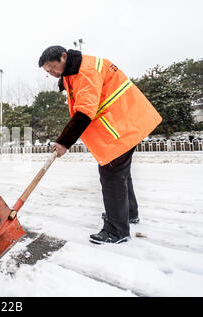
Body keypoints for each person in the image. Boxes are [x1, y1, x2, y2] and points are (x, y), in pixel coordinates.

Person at [38, 46, 162, 244]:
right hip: (125, 122)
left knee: (111, 173)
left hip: (120, 126)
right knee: (120, 173)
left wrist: (64, 142)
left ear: (64, 57)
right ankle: (128, 214)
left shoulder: (85, 71)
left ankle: (116, 231)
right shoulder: (75, 69)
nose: (53, 73)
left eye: (53, 67)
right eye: (48, 72)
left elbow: (85, 111)